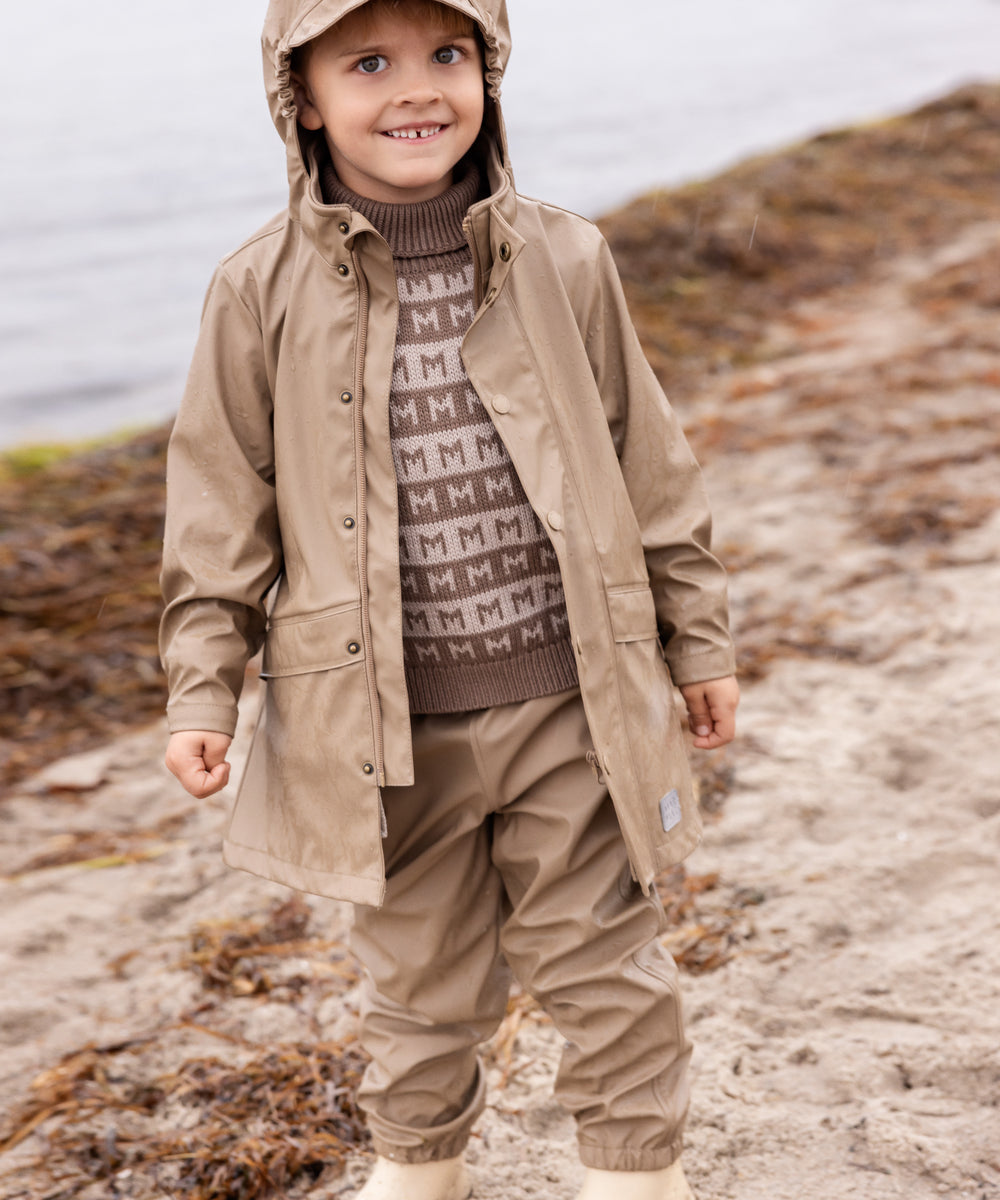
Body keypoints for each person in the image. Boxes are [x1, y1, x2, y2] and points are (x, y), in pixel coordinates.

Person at [160, 1, 739, 1197]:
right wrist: (201, 689)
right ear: (301, 97)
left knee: (605, 956)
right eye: (369, 62)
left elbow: (648, 461)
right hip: (376, 727)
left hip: (569, 695)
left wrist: (697, 639)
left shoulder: (563, 257)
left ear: (489, 69)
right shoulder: (255, 290)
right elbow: (219, 512)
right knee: (416, 979)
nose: (417, 88)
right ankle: (419, 1167)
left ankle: (636, 1171)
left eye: (448, 54)